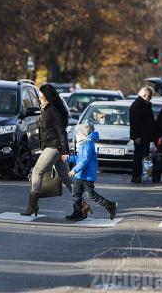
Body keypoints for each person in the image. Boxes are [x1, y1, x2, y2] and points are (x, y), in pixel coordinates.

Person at [21, 84, 90, 217]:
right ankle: (82, 206)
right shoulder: (46, 109)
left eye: (41, 96)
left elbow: (61, 132)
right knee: (67, 179)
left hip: (55, 146)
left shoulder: (53, 110)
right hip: (53, 146)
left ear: (48, 97)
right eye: (39, 96)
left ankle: (32, 206)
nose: (39, 98)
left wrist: (65, 151)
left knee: (37, 171)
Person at [66, 122, 118, 221]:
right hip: (79, 175)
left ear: (84, 133)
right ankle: (78, 213)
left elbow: (84, 160)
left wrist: (74, 169)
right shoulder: (84, 143)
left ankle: (110, 205)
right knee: (76, 194)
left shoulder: (88, 144)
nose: (77, 135)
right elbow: (79, 158)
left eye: (79, 133)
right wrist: (69, 158)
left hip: (86, 176)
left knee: (91, 195)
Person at [129, 86, 156, 183]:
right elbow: (134, 122)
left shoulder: (144, 104)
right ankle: (136, 176)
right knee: (138, 157)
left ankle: (141, 176)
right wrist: (136, 136)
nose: (149, 98)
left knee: (144, 156)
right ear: (144, 95)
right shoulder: (137, 105)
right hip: (140, 136)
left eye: (150, 97)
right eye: (148, 96)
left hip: (145, 136)